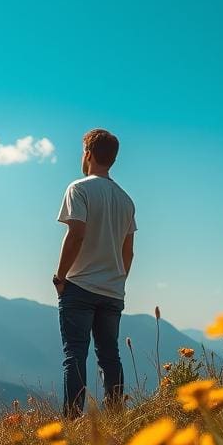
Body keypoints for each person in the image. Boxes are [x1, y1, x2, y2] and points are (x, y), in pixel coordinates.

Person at [52, 128, 136, 416]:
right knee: (109, 355)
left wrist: (60, 276)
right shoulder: (126, 200)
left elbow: (76, 234)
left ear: (87, 153)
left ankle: (73, 419)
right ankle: (115, 414)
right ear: (112, 158)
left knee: (75, 354)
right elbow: (129, 251)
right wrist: (118, 280)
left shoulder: (79, 189)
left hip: (80, 286)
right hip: (112, 290)